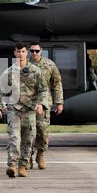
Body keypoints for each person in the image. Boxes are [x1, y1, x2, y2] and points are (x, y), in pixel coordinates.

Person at [0, 42, 47, 178]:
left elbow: (43, 89)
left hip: (30, 110)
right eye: (18, 52)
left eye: (23, 51)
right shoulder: (9, 72)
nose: (21, 54)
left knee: (29, 139)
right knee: (14, 137)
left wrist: (42, 104)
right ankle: (12, 165)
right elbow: (0, 90)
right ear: (14, 53)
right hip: (14, 109)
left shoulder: (36, 71)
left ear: (26, 53)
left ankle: (23, 165)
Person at [29, 42, 64, 170]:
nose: (34, 53)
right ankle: (28, 158)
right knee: (29, 132)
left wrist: (59, 102)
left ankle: (41, 154)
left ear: (41, 51)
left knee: (42, 131)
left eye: (37, 51)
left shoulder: (49, 64)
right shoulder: (24, 65)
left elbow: (57, 83)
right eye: (32, 51)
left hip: (44, 104)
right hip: (28, 104)